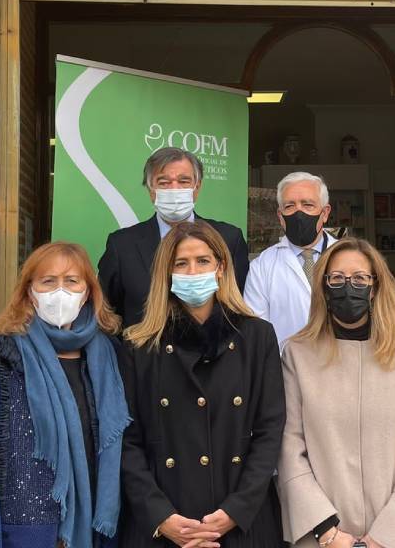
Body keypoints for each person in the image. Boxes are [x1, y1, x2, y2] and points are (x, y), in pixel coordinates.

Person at [119, 220, 284, 547]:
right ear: (167, 273)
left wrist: (236, 510)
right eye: (181, 263)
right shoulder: (139, 346)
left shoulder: (256, 337)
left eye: (203, 261)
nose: (192, 271)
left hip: (241, 524)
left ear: (221, 267)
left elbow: (270, 430)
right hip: (165, 527)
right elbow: (126, 440)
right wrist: (161, 517)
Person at [0, 241, 130, 548]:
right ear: (30, 293)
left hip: (99, 534)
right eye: (48, 282)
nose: (60, 292)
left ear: (88, 291)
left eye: (72, 281)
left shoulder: (111, 355)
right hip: (23, 536)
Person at [278, 238, 395, 548]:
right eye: (336, 278)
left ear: (375, 286)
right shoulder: (298, 354)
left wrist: (388, 534)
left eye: (359, 278)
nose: (347, 286)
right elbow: (289, 448)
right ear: (323, 287)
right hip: (323, 536)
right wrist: (326, 530)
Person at [100, 147, 250, 328]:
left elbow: (238, 306)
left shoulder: (228, 239)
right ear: (150, 190)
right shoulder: (122, 246)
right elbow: (107, 314)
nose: (174, 189)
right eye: (163, 182)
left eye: (183, 181)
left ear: (197, 187)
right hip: (145, 353)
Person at [243, 171, 331, 350]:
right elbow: (257, 332)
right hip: (286, 371)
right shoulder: (261, 266)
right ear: (280, 216)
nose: (299, 213)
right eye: (290, 206)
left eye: (308, 205)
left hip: (341, 368)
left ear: (325, 213)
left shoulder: (347, 257)